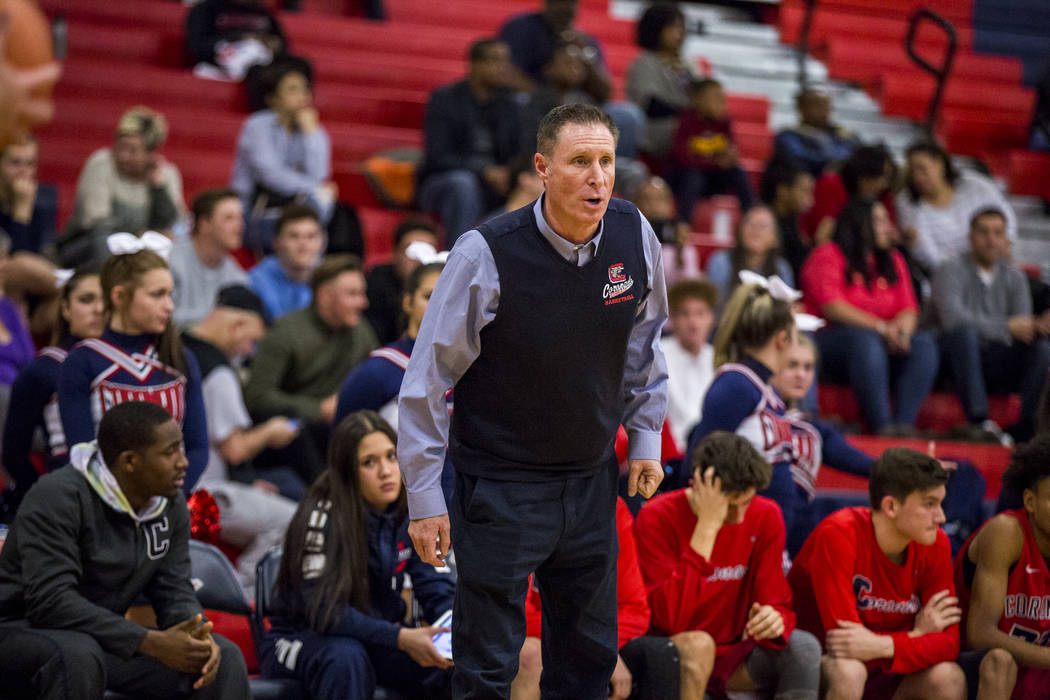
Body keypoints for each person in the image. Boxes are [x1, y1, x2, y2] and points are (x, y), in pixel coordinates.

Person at [398, 103, 668, 698]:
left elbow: (644, 349)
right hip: (500, 483)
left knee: (588, 665)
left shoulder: (634, 232)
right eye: (579, 162)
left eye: (606, 161)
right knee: (488, 668)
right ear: (543, 167)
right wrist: (423, 497)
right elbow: (426, 383)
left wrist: (645, 439)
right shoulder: (484, 252)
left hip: (592, 479)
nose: (598, 176)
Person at [0, 401, 251, 699]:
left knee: (221, 657)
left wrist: (196, 635)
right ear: (130, 461)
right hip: (20, 630)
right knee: (77, 655)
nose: (183, 462)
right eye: (169, 452)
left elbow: (174, 589)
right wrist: (148, 640)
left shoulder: (169, 504)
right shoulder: (58, 496)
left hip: (100, 638)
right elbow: (51, 602)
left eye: (181, 449)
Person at [260, 410, 455, 700]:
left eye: (391, 456)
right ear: (348, 471)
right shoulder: (321, 514)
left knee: (453, 662)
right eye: (369, 462)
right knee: (346, 658)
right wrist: (400, 638)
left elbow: (438, 588)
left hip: (372, 638)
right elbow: (325, 613)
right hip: (300, 637)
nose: (386, 471)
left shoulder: (409, 513)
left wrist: (453, 633)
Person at [636, 431, 822, 699]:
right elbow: (671, 619)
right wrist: (707, 527)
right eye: (728, 506)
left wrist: (774, 617)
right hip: (671, 651)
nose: (739, 516)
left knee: (804, 646)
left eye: (745, 502)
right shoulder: (656, 517)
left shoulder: (766, 515)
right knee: (699, 644)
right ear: (699, 484)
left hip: (734, 656)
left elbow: (776, 601)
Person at [788, 448, 966, 700]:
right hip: (818, 667)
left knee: (948, 677)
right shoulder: (839, 534)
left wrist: (883, 645)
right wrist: (916, 636)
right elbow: (847, 646)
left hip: (887, 668)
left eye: (941, 503)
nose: (942, 517)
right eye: (929, 504)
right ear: (891, 506)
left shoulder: (936, 544)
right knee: (850, 672)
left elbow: (949, 644)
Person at [59, 234, 209, 492]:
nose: (170, 306)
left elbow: (197, 447)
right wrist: (124, 502)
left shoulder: (180, 358)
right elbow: (82, 454)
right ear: (119, 296)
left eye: (170, 295)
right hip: (105, 506)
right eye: (157, 295)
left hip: (170, 504)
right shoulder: (82, 362)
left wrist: (168, 497)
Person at [181, 285, 300, 594]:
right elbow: (234, 450)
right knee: (296, 518)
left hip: (176, 488)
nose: (249, 351)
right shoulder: (217, 372)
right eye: (252, 341)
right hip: (201, 498)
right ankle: (241, 593)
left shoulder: (176, 351)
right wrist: (271, 432)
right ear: (236, 325)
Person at [802, 197, 939, 434]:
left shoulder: (893, 259)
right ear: (858, 223)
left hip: (881, 339)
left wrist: (902, 332)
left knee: (924, 344)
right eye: (878, 221)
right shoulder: (828, 254)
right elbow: (833, 307)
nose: (887, 227)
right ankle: (882, 426)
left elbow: (909, 308)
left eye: (886, 220)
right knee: (864, 340)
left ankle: (903, 425)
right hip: (830, 340)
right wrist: (882, 328)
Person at [514, 498, 673, 700]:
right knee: (531, 654)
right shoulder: (520, 497)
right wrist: (593, 647)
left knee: (678, 652)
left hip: (580, 637)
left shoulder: (610, 506)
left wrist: (599, 646)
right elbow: (513, 616)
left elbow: (635, 610)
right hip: (529, 644)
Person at [931, 208, 1050, 444]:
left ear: (1006, 239)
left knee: (1042, 348)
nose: (991, 239)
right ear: (970, 237)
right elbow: (952, 321)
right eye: (983, 232)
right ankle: (979, 421)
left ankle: (1028, 427)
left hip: (996, 359)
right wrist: (1005, 328)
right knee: (964, 335)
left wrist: (1022, 328)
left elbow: (1023, 329)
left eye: (998, 233)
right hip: (953, 358)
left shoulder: (1015, 277)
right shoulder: (949, 269)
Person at [243, 253, 377, 461]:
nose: (364, 302)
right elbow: (257, 397)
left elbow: (376, 378)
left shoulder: (360, 330)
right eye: (353, 294)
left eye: (363, 293)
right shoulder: (285, 333)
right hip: (296, 438)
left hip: (345, 428)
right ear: (324, 296)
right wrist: (318, 410)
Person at [1, 270, 104, 521]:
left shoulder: (136, 362)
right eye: (87, 299)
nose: (99, 309)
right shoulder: (44, 369)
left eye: (106, 301)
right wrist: (46, 496)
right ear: (66, 309)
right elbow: (14, 453)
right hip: (67, 507)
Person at [954, 436, 1050, 699]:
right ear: (1030, 501)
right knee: (1000, 660)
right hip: (976, 669)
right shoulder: (1007, 533)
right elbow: (980, 634)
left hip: (1035, 671)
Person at [498, 0, 644, 159]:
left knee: (628, 115)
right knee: (518, 102)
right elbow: (504, 72)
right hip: (535, 100)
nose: (565, 8)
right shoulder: (521, 27)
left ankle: (609, 174)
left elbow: (605, 93)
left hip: (578, 106)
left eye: (571, 3)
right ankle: (526, 170)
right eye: (560, 3)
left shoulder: (586, 40)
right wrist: (546, 97)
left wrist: (587, 54)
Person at [416, 39, 521, 246]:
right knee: (463, 184)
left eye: (506, 61)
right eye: (496, 60)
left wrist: (510, 173)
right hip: (443, 183)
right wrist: (484, 171)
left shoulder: (511, 104)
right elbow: (437, 156)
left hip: (492, 188)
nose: (504, 67)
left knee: (533, 186)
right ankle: (458, 257)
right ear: (474, 64)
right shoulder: (445, 99)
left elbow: (519, 151)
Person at [229, 62, 335, 251]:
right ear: (273, 99)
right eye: (292, 90)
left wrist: (311, 133)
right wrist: (315, 187)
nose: (302, 97)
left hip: (294, 208)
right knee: (317, 205)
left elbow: (319, 174)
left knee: (322, 211)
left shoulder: (312, 129)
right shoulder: (257, 126)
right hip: (253, 211)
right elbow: (271, 176)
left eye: (305, 90)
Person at [64, 106, 187, 266]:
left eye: (133, 150)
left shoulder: (166, 173)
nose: (124, 156)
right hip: (88, 251)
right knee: (103, 236)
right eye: (121, 147)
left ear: (151, 153)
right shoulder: (101, 163)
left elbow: (174, 224)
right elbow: (96, 222)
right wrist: (141, 237)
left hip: (139, 257)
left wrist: (158, 188)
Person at [337, 261, 443, 427]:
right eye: (429, 296)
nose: (441, 305)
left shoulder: (474, 369)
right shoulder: (375, 372)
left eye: (451, 298)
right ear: (408, 302)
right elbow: (344, 446)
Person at [896, 140, 1017, 272]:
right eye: (912, 171)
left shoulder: (975, 185)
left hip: (992, 262)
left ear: (940, 164)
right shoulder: (907, 203)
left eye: (922, 169)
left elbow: (1005, 215)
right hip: (948, 273)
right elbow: (928, 255)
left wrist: (1004, 243)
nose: (917, 177)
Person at [670, 78, 754, 222]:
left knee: (738, 172)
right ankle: (683, 224)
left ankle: (752, 215)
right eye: (716, 97)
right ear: (698, 100)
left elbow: (729, 154)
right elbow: (683, 158)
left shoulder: (724, 122)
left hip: (712, 177)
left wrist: (730, 158)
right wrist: (715, 162)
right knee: (693, 178)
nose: (722, 102)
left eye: (723, 98)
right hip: (687, 179)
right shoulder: (686, 121)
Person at [169, 189, 249, 327]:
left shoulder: (236, 275)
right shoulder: (170, 261)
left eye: (240, 218)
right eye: (229, 218)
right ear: (204, 224)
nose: (240, 226)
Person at [625, 3, 693, 162]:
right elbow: (652, 105)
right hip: (657, 134)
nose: (681, 33)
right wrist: (689, 114)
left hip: (689, 134)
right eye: (674, 27)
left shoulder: (690, 65)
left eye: (683, 27)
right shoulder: (644, 63)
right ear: (656, 29)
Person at [660, 278, 717, 452]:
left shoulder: (717, 359)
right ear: (673, 318)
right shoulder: (657, 356)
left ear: (711, 319)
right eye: (685, 314)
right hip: (666, 456)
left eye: (700, 314)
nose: (694, 323)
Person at [364, 218, 438, 345]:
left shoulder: (444, 285)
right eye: (412, 251)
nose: (420, 259)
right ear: (395, 253)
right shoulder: (374, 284)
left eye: (428, 250)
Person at [248, 202, 324, 321]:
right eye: (294, 236)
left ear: (321, 242)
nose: (303, 244)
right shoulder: (255, 282)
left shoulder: (330, 279)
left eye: (311, 236)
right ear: (276, 243)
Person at [705, 205, 793, 306]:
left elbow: (785, 308)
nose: (755, 229)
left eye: (762, 226)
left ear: (775, 239)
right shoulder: (721, 262)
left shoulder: (782, 268)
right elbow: (715, 306)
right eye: (750, 223)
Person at [773, 87, 860, 177]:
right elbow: (801, 158)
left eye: (827, 107)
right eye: (818, 106)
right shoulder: (788, 136)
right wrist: (834, 162)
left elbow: (858, 154)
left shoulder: (842, 134)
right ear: (801, 109)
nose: (824, 111)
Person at [760, 156, 815, 283]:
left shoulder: (793, 224)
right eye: (805, 191)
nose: (811, 201)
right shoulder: (765, 225)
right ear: (783, 191)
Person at [0, 134, 57, 254]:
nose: (23, 171)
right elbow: (13, 258)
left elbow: (35, 254)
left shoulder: (45, 198)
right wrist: (22, 211)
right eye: (15, 163)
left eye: (30, 164)